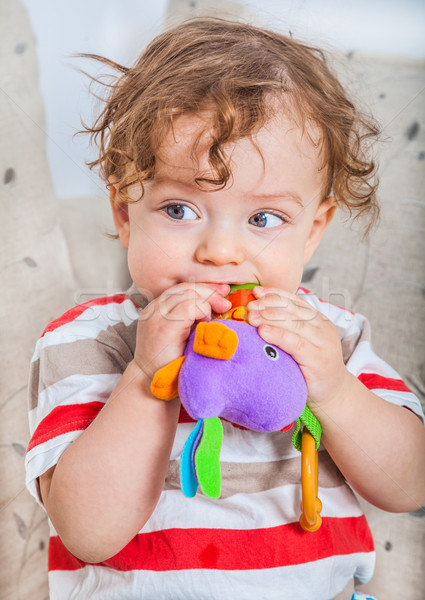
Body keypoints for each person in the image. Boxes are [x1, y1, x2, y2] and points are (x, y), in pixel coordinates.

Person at [25, 17, 425, 600]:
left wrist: (336, 391)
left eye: (264, 219)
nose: (219, 252)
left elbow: (409, 485)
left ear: (311, 232)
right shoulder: (89, 341)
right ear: (123, 213)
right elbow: (88, 533)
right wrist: (145, 378)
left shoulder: (330, 338)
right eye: (180, 210)